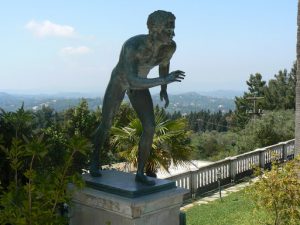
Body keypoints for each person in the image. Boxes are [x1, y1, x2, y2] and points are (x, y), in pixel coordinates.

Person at [90, 10, 185, 185]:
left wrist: (164, 89)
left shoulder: (170, 47)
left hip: (140, 85)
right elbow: (131, 80)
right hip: (121, 82)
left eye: (173, 28)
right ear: (155, 29)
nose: (173, 33)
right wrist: (165, 80)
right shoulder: (133, 45)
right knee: (107, 124)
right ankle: (94, 158)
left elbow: (164, 66)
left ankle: (140, 173)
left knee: (150, 127)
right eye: (169, 29)